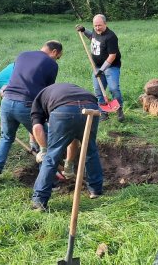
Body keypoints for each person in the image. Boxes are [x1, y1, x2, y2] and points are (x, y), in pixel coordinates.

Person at [0, 41, 63, 181]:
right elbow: (46, 92)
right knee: (45, 140)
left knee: (6, 137)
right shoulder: (52, 64)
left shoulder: (22, 55)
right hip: (27, 104)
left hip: (6, 101)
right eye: (58, 57)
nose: (56, 59)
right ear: (54, 52)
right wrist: (45, 116)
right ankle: (48, 180)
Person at [30, 83, 104, 212]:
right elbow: (73, 138)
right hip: (91, 106)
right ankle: (96, 190)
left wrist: (43, 150)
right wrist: (68, 164)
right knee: (90, 150)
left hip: (64, 110)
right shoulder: (62, 90)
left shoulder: (38, 102)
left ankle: (39, 200)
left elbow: (37, 127)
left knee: (51, 156)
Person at [76, 14, 124, 122]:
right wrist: (83, 30)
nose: (97, 28)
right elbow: (92, 36)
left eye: (99, 25)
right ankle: (103, 112)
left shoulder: (111, 37)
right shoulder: (95, 31)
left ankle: (119, 109)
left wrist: (102, 70)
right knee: (98, 91)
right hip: (96, 67)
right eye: (95, 25)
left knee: (114, 88)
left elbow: (112, 56)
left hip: (111, 67)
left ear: (105, 24)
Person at [0, 62, 40, 153]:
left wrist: (32, 139)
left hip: (24, 68)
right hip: (16, 67)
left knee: (32, 118)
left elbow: (32, 114)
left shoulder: (24, 85)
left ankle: (36, 143)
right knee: (7, 137)